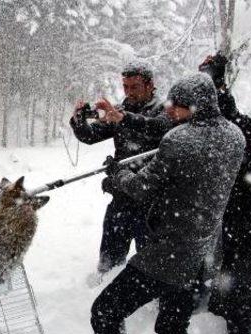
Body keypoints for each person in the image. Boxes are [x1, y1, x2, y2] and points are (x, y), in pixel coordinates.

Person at [91, 73, 245, 334]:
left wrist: (118, 174)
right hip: (203, 253)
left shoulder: (179, 142)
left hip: (168, 254)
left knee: (105, 311)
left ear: (196, 105)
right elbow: (190, 168)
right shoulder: (235, 137)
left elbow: (143, 188)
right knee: (171, 332)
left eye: (177, 105)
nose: (170, 109)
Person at [70, 62, 174, 281]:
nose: (128, 92)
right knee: (109, 257)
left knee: (151, 260)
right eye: (125, 86)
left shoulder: (165, 109)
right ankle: (104, 283)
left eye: (134, 86)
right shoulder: (121, 110)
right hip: (122, 193)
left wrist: (124, 119)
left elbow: (158, 128)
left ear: (149, 85)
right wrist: (79, 119)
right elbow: (90, 136)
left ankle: (150, 297)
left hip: (151, 199)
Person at [200, 53, 251, 334]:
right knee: (228, 282)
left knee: (239, 285)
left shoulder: (238, 128)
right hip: (229, 218)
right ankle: (233, 327)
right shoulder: (211, 128)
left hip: (246, 217)